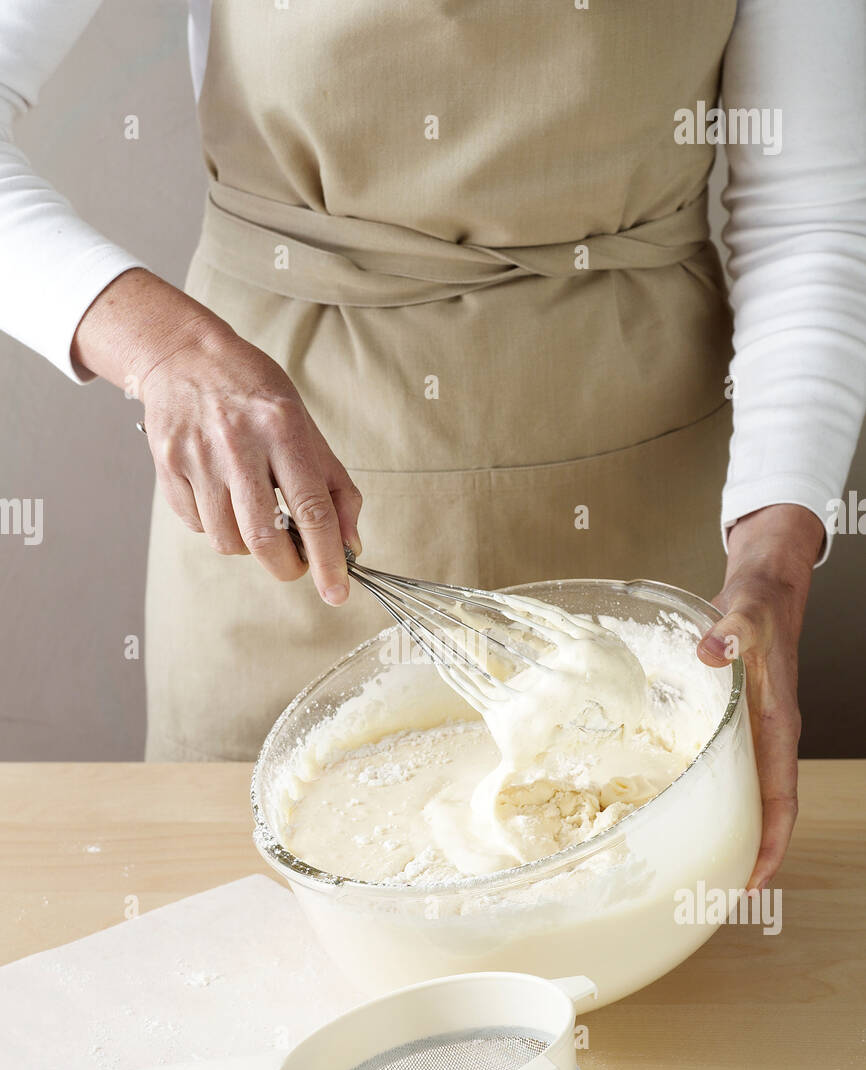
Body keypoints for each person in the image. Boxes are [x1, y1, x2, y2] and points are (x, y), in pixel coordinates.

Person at [1, 1, 865, 896]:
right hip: (280, 500)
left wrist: (772, 564)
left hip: (646, 511)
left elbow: (812, 220)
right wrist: (165, 348)